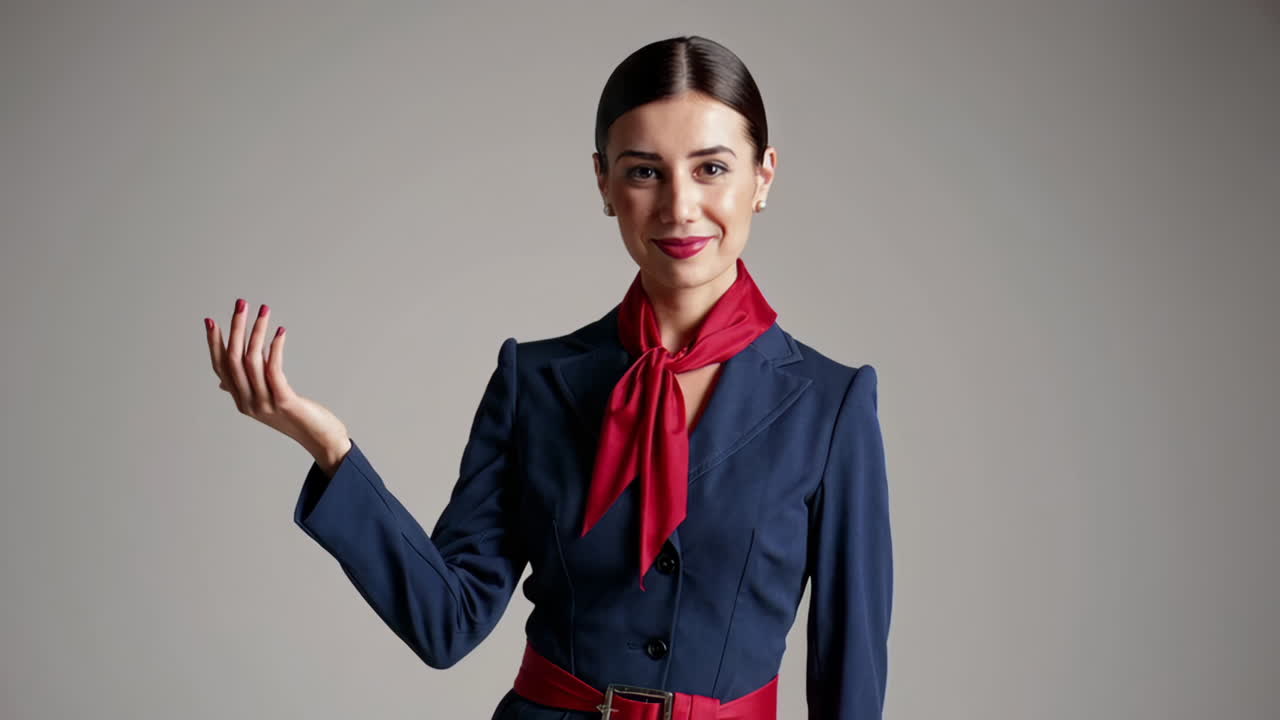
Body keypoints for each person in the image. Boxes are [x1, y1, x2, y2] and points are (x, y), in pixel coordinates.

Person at [202, 35, 892, 720]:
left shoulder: (831, 406)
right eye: (645, 172)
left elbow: (849, 680)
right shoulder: (533, 383)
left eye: (711, 169)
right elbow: (447, 621)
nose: (680, 207)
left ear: (763, 176)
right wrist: (332, 452)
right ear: (603, 181)